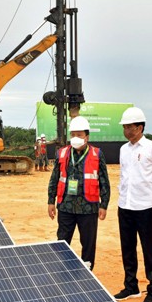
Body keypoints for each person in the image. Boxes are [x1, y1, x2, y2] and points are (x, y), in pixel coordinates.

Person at [114, 106, 152, 302]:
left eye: (130, 127)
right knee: (127, 248)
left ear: (140, 127)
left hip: (145, 207)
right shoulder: (123, 150)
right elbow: (123, 177)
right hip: (125, 206)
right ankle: (131, 286)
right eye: (125, 127)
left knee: (149, 249)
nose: (127, 131)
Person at [47, 116, 110, 270]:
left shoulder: (96, 154)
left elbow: (104, 181)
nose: (76, 138)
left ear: (87, 137)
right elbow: (55, 178)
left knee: (88, 243)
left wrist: (104, 204)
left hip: (88, 208)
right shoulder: (62, 154)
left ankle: (87, 274)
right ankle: (60, 271)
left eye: (80, 135)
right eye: (73, 134)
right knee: (62, 241)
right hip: (65, 206)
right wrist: (50, 201)